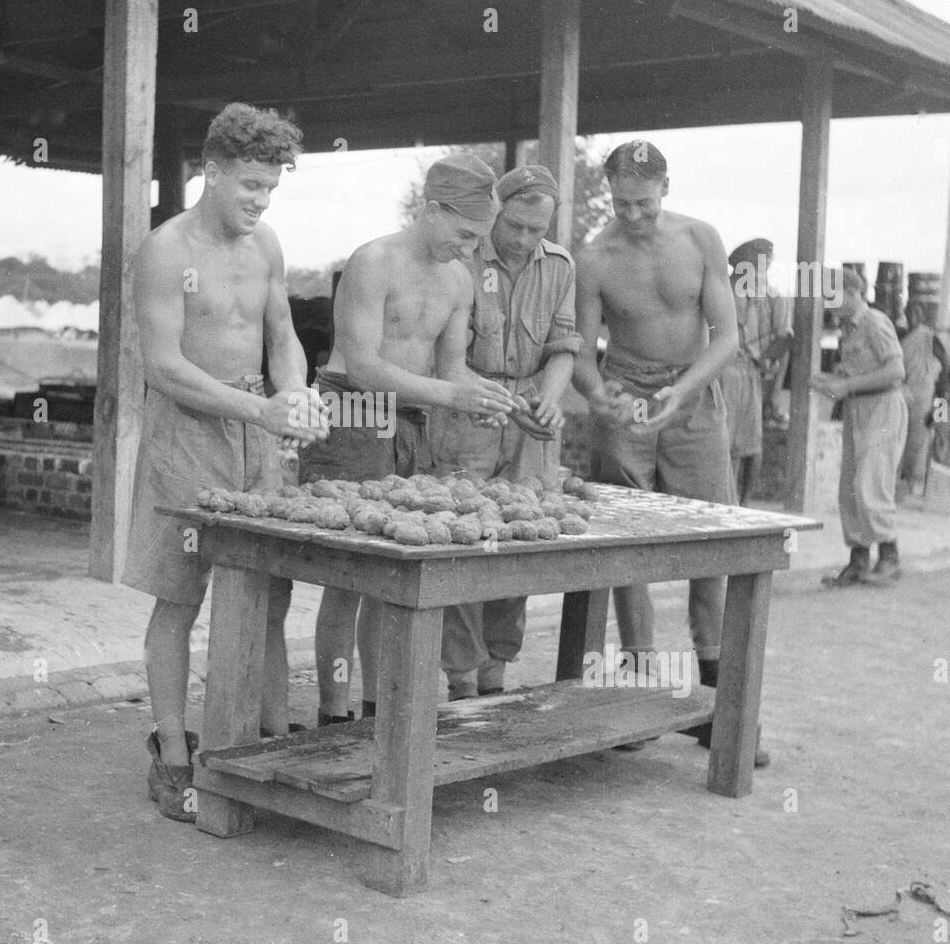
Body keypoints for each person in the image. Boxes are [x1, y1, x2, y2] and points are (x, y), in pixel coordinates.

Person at [124, 103, 329, 822]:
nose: (259, 201)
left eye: (269, 188)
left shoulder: (265, 244)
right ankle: (173, 756)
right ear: (208, 171)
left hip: (258, 432)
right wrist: (258, 411)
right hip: (188, 431)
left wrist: (295, 394)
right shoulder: (164, 250)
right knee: (180, 597)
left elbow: (282, 335)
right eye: (247, 185)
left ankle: (268, 744)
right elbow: (163, 366)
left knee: (268, 592)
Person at [573, 140, 770, 768]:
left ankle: (713, 701)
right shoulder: (594, 257)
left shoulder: (700, 239)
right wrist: (599, 395)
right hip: (627, 396)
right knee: (629, 539)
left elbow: (728, 335)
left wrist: (683, 392)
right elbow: (580, 351)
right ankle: (639, 688)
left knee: (713, 533)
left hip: (694, 396)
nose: (633, 215)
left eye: (645, 204)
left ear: (667, 189)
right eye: (622, 203)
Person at [302, 153, 516, 723]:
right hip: (352, 412)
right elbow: (365, 366)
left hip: (412, 422)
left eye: (479, 239)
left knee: (390, 578)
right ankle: (332, 714)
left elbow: (452, 371)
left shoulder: (458, 279)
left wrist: (487, 396)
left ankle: (375, 713)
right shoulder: (373, 262)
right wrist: (452, 396)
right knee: (345, 577)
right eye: (464, 234)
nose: (469, 249)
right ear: (431, 210)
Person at [427, 163, 581, 698]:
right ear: (497, 211)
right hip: (469, 411)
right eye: (513, 225)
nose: (522, 239)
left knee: (517, 547)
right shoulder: (463, 260)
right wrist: (494, 398)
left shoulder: (560, 267)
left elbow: (564, 345)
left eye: (536, 231)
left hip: (530, 423)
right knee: (465, 543)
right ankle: (461, 680)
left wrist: (551, 400)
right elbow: (444, 360)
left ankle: (496, 674)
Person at [813, 267, 907, 586]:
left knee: (872, 482)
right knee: (851, 487)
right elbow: (857, 373)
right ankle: (859, 559)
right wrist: (832, 381)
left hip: (883, 408)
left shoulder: (874, 323)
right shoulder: (849, 330)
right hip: (859, 409)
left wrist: (849, 385)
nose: (829, 303)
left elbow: (896, 370)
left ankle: (890, 556)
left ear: (853, 293)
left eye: (833, 296)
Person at [720, 238, 793, 504]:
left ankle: (744, 503)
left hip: (752, 373)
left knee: (751, 443)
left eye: (765, 268)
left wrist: (773, 392)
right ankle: (726, 500)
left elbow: (782, 343)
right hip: (723, 371)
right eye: (758, 267)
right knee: (724, 442)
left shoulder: (771, 297)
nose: (762, 273)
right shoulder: (722, 291)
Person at [896, 299, 943, 498]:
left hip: (926, 397)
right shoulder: (904, 337)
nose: (912, 316)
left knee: (921, 442)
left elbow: (944, 374)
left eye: (916, 312)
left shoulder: (930, 338)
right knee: (899, 441)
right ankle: (899, 486)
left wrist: (940, 412)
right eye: (909, 312)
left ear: (922, 315)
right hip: (905, 395)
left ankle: (915, 487)